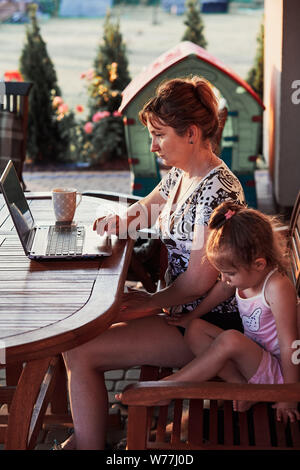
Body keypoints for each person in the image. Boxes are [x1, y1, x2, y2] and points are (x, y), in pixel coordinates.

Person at [61, 76, 245, 449]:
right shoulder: (183, 174)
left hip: (203, 325)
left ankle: (88, 443)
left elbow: (198, 281)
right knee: (78, 330)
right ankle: (88, 431)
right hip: (178, 308)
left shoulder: (216, 193)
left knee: (80, 350)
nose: (153, 145)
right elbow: (150, 206)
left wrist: (147, 304)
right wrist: (120, 221)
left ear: (191, 133)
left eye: (160, 135)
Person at [162, 201, 300, 423]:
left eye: (229, 274)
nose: (224, 279)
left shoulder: (277, 287)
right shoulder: (248, 275)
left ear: (259, 264)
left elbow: (291, 344)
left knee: (231, 340)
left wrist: (290, 394)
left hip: (279, 374)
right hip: (255, 358)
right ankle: (245, 390)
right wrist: (190, 317)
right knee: (195, 329)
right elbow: (223, 290)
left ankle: (167, 388)